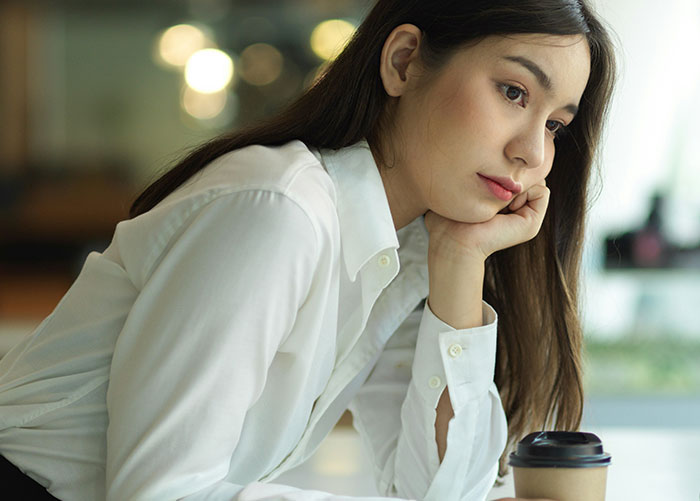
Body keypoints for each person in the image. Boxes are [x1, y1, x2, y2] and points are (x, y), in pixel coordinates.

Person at [0, 0, 616, 499]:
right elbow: (160, 493)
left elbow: (437, 493)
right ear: (403, 61)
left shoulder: (397, 250)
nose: (533, 153)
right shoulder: (279, 210)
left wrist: (459, 263)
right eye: (513, 92)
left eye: (556, 124)